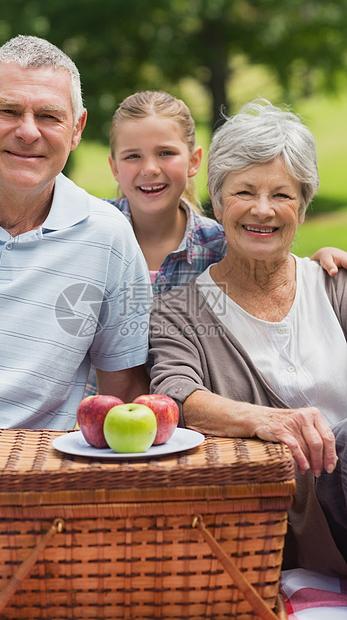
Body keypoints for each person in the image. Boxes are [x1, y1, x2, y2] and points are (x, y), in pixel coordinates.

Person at [0, 35, 152, 607]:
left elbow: (122, 390)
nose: (28, 130)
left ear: (77, 130)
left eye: (48, 115)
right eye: (9, 111)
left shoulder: (107, 237)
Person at [148, 99, 347, 577]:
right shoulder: (179, 311)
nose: (263, 210)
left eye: (282, 194)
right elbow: (175, 395)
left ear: (302, 206)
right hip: (295, 520)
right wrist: (269, 420)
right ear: (218, 202)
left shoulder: (335, 283)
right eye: (244, 192)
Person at [83, 89, 347, 395]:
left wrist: (320, 265)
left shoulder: (222, 243)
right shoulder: (93, 235)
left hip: (184, 410)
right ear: (114, 166)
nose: (150, 168)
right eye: (132, 156)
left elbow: (276, 267)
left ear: (194, 160)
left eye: (166, 153)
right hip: (101, 408)